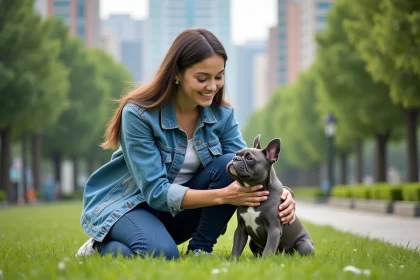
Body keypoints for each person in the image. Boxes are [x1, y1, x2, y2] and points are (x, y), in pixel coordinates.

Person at [75, 28, 296, 259]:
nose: (212, 86)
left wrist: (283, 195)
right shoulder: (139, 114)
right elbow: (156, 192)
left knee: (232, 163)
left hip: (178, 212)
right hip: (129, 206)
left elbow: (252, 166)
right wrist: (224, 196)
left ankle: (200, 249)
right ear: (177, 73)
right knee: (163, 255)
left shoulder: (223, 115)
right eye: (202, 78)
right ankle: (100, 244)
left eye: (218, 76)